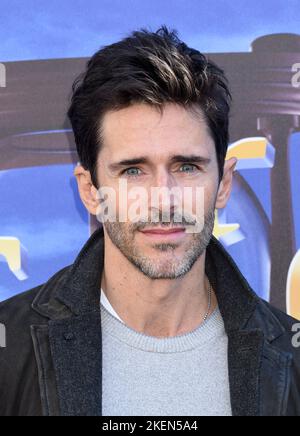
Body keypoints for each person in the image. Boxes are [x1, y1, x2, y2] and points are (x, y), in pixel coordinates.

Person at [0, 26, 299, 416]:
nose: (164, 198)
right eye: (133, 171)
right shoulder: (10, 353)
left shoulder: (291, 361)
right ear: (90, 190)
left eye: (188, 166)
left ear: (223, 183)